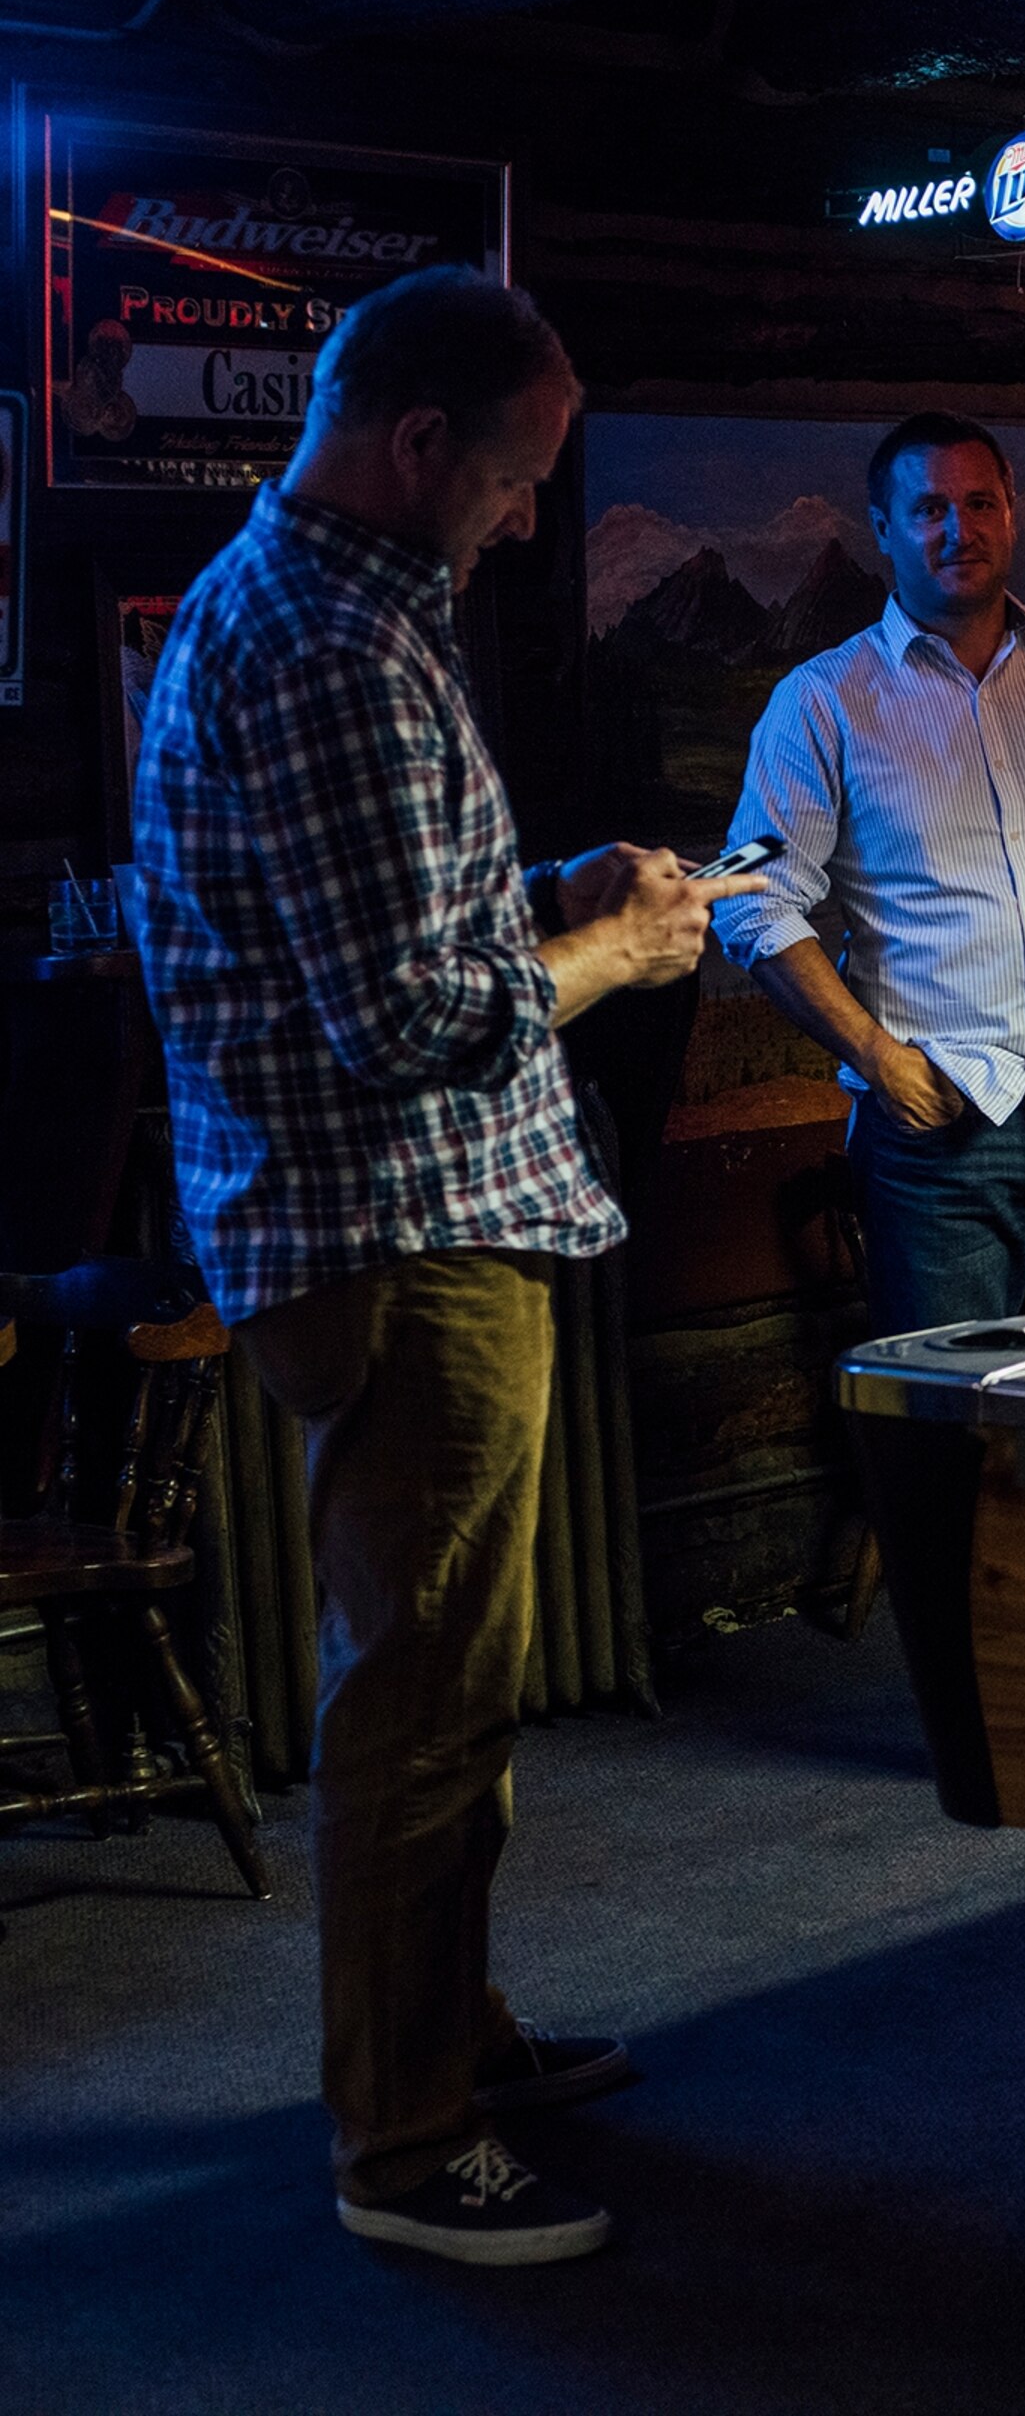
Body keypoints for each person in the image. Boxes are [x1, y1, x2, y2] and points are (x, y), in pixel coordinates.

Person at [125, 267, 758, 2266]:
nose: (527, 513)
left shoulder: (324, 605)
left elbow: (388, 927)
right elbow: (406, 1019)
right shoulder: (331, 641)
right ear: (418, 445)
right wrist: (619, 953)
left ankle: (449, 2033)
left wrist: (543, 889)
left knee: (451, 1686)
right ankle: (404, 2143)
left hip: (393, 1230)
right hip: (399, 1242)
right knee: (421, 1704)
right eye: (514, 476)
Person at [710, 409, 1025, 1332]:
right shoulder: (822, 702)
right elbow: (750, 903)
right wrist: (877, 1060)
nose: (960, 529)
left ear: (1011, 513)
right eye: (929, 509)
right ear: (883, 528)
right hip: (937, 1141)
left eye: (980, 503)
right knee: (956, 1410)